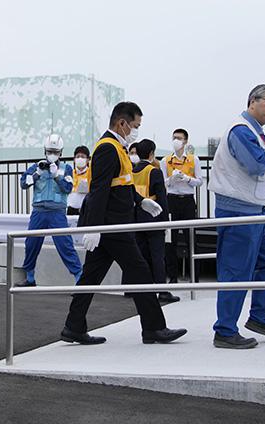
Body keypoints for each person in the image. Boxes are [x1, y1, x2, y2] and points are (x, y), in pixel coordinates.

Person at [61, 102, 187, 346]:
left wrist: (141, 202)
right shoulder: (107, 148)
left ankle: (73, 326)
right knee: (140, 272)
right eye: (136, 126)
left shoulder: (118, 148)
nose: (137, 131)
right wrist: (95, 228)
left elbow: (122, 185)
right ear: (122, 123)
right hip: (112, 226)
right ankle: (154, 328)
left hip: (112, 225)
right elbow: (98, 190)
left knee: (90, 277)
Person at [208, 84, 265, 349]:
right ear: (252, 101)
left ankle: (260, 317)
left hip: (258, 211)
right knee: (236, 272)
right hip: (238, 211)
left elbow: (262, 153)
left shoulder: (255, 132)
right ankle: (225, 331)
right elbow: (258, 163)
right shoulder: (241, 130)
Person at [17, 134, 83, 287]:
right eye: (50, 151)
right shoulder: (36, 166)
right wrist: (37, 174)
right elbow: (23, 184)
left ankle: (80, 277)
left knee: (65, 244)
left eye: (56, 151)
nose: (52, 154)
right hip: (39, 211)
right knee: (31, 243)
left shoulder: (66, 168)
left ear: (61, 152)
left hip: (57, 212)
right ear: (45, 151)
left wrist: (56, 176)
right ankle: (30, 277)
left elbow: (68, 188)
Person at [128, 139, 179, 304]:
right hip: (153, 218)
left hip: (136, 218)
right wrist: (165, 221)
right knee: (158, 256)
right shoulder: (154, 171)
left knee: (140, 255)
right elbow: (162, 199)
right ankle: (162, 290)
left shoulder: (132, 171)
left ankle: (137, 288)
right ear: (151, 153)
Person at [161, 128, 204, 284]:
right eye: (174, 138)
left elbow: (199, 181)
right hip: (171, 200)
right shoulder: (165, 161)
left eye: (179, 138)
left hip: (187, 200)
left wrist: (186, 178)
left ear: (186, 141)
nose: (176, 141)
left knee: (191, 238)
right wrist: (172, 179)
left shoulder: (194, 159)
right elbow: (162, 183)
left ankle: (195, 277)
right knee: (170, 241)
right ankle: (172, 277)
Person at [67, 145, 91, 216]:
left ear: (88, 160)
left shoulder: (92, 173)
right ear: (74, 159)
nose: (80, 158)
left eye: (83, 157)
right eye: (77, 156)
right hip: (71, 210)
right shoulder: (70, 173)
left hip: (86, 209)